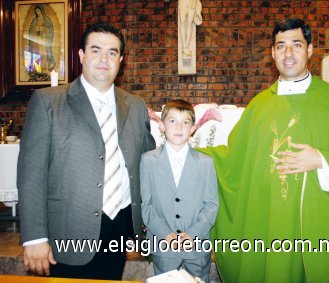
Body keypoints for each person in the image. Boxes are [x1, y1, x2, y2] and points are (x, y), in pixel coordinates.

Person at [198, 18, 329, 282]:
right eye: (280, 46)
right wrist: (191, 152)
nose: (288, 53)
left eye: (296, 45)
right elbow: (233, 159)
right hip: (269, 221)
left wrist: (322, 160)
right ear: (272, 53)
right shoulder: (259, 106)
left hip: (321, 223)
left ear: (309, 50)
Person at [17, 22, 155, 280]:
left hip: (118, 227)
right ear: (81, 56)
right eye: (95, 50)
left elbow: (148, 163)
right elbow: (31, 176)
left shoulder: (135, 106)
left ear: (121, 60)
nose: (104, 58)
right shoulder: (48, 102)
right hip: (68, 229)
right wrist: (35, 237)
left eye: (112, 52)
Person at [141, 99, 219, 282]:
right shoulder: (148, 160)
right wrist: (165, 234)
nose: (178, 127)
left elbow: (211, 205)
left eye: (185, 122)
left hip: (196, 249)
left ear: (193, 129)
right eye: (172, 121)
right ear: (162, 126)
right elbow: (146, 204)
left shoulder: (206, 163)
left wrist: (192, 234)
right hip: (163, 248)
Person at [28, 5, 56, 74]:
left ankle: (50, 63)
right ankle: (37, 69)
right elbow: (31, 30)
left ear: (41, 10)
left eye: (38, 10)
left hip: (45, 39)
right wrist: (35, 30)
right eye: (36, 11)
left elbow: (51, 29)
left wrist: (43, 29)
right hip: (37, 39)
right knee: (37, 52)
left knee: (46, 51)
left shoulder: (47, 19)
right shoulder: (35, 20)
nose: (37, 12)